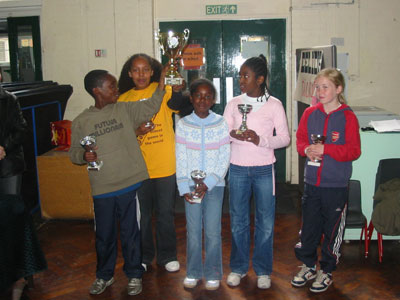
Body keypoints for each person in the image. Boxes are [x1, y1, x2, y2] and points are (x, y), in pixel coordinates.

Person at [68, 69, 166, 296]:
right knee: (104, 235)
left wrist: (162, 84)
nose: (116, 90)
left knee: (132, 232)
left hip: (129, 184)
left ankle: (133, 274)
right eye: (111, 86)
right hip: (102, 188)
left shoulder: (124, 109)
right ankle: (104, 275)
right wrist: (84, 156)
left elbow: (150, 106)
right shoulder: (82, 121)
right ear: (97, 91)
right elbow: (74, 152)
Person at [223, 55, 290, 289]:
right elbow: (224, 132)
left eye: (246, 76)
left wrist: (259, 139)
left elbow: (284, 139)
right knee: (238, 221)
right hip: (238, 168)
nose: (241, 80)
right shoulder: (233, 104)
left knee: (266, 223)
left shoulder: (275, 105)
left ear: (260, 79)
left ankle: (263, 270)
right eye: (240, 75)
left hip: (263, 169)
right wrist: (233, 134)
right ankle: (239, 268)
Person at [291, 68, 361, 293]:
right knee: (309, 228)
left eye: (325, 87)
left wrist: (327, 149)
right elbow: (300, 140)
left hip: (336, 186)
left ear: (338, 89)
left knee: (332, 231)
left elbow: (354, 151)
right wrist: (307, 150)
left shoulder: (348, 116)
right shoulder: (310, 113)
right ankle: (308, 266)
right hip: (311, 183)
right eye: (317, 87)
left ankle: (327, 270)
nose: (320, 91)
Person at [118, 53, 189, 272]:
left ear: (152, 72)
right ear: (130, 74)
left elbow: (182, 107)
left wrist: (178, 89)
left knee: (166, 214)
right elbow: (120, 134)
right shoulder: (123, 99)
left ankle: (167, 256)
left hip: (165, 164)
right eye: (136, 70)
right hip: (138, 167)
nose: (141, 75)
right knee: (144, 216)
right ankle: (145, 256)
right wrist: (136, 131)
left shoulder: (163, 89)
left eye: (145, 70)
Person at [175, 79, 230, 290]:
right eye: (198, 95)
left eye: (208, 96)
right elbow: (180, 157)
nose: (203, 100)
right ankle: (193, 272)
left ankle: (213, 272)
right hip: (190, 186)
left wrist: (208, 183)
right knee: (193, 230)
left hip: (215, 187)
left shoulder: (221, 123)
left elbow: (224, 157)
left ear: (214, 100)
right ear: (191, 98)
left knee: (213, 231)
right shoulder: (183, 124)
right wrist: (183, 187)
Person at [1, 72, 47, 300]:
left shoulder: (9, 99)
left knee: (12, 219)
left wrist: (4, 147)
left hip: (7, 165)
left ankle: (19, 273)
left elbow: (21, 129)